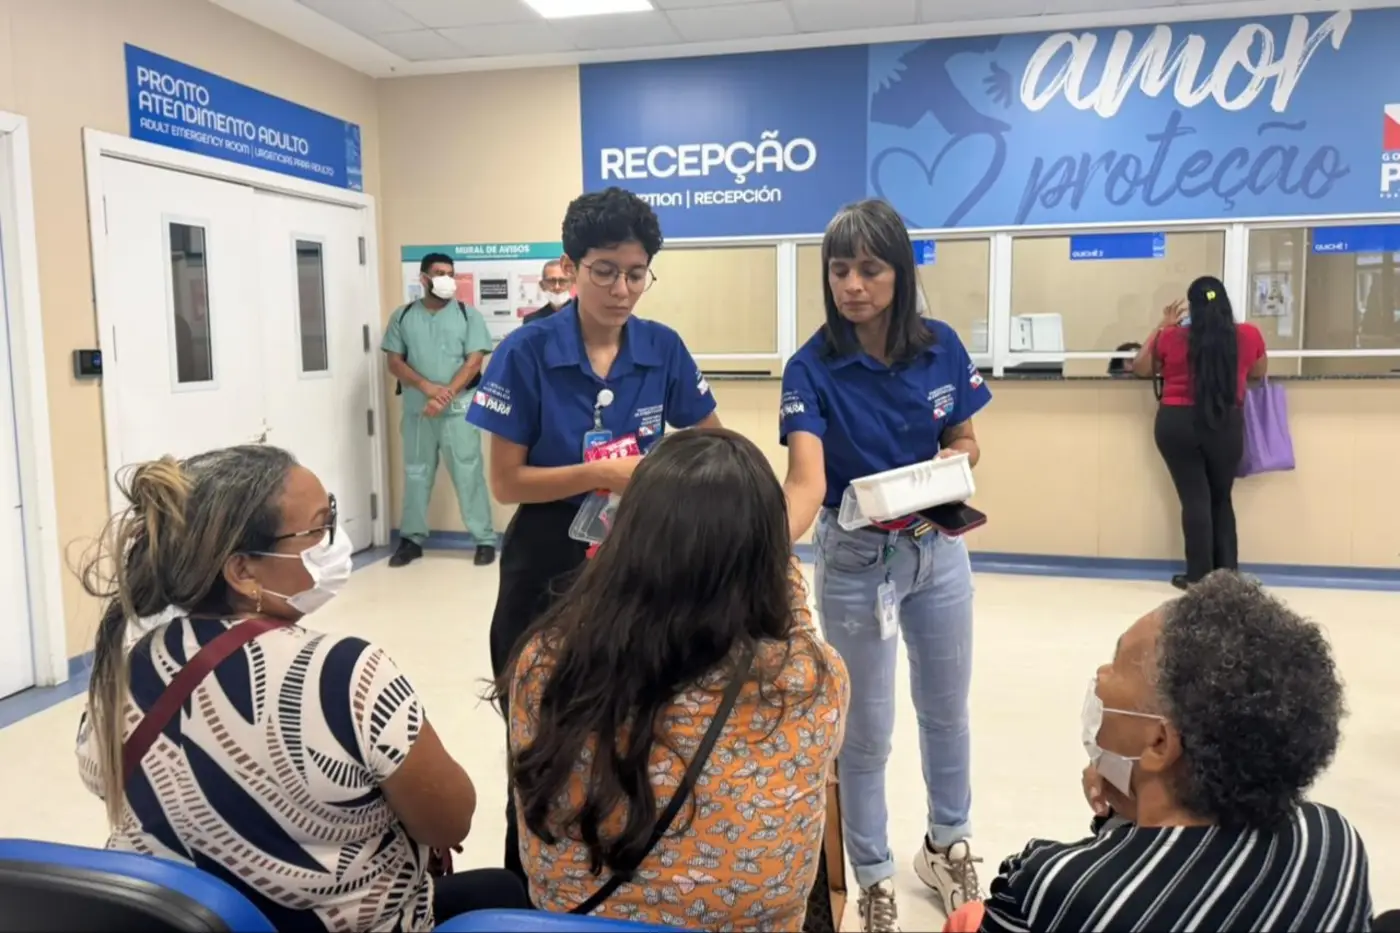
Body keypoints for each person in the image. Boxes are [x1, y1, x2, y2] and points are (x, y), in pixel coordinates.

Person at [74, 445, 528, 931]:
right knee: (504, 891)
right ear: (243, 571)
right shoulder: (346, 674)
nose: (334, 541)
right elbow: (449, 821)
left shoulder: (127, 669)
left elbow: (103, 779)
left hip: (201, 921)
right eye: (318, 529)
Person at [466, 185, 720, 885]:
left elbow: (712, 442)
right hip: (546, 561)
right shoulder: (525, 352)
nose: (621, 289)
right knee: (538, 736)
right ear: (571, 267)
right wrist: (604, 474)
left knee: (631, 732)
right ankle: (529, 886)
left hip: (637, 560)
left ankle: (616, 882)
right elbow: (507, 483)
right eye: (604, 271)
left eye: (636, 273)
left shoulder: (663, 348)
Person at [496, 428, 849, 930]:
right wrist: (774, 561)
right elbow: (794, 625)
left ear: (625, 536)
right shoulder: (811, 680)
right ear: (765, 556)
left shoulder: (546, 664)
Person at [780, 199, 992, 932]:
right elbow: (806, 481)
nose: (852, 285)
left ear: (900, 273)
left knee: (946, 710)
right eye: (839, 269)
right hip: (856, 560)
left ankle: (948, 844)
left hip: (938, 549)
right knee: (864, 732)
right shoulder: (811, 368)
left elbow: (966, 439)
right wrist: (758, 548)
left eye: (869, 269)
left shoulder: (941, 347)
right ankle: (871, 873)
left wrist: (953, 462)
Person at [964, 571, 1372, 932]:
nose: (1101, 677)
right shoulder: (1332, 842)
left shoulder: (1053, 888)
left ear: (1160, 743)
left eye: (1117, 664)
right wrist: (1129, 809)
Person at [1131, 276, 1267, 590]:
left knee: (1194, 499)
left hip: (1177, 423)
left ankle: (1198, 577)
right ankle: (1227, 577)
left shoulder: (1171, 337)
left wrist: (1162, 326)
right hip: (1224, 421)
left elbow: (1140, 366)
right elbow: (1258, 371)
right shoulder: (1248, 335)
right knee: (1221, 497)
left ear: (1191, 307)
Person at [382, 253, 497, 569]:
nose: (446, 279)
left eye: (450, 273)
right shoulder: (403, 316)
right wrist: (426, 388)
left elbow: (473, 362)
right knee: (416, 474)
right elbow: (394, 362)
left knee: (468, 473)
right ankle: (411, 540)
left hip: (458, 411)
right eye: (439, 273)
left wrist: (443, 396)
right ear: (424, 279)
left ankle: (484, 539)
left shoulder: (467, 316)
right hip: (419, 412)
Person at [522, 257, 573, 325]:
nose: (557, 287)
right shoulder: (531, 321)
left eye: (562, 281)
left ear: (571, 284)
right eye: (551, 281)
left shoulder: (583, 317)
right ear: (542, 285)